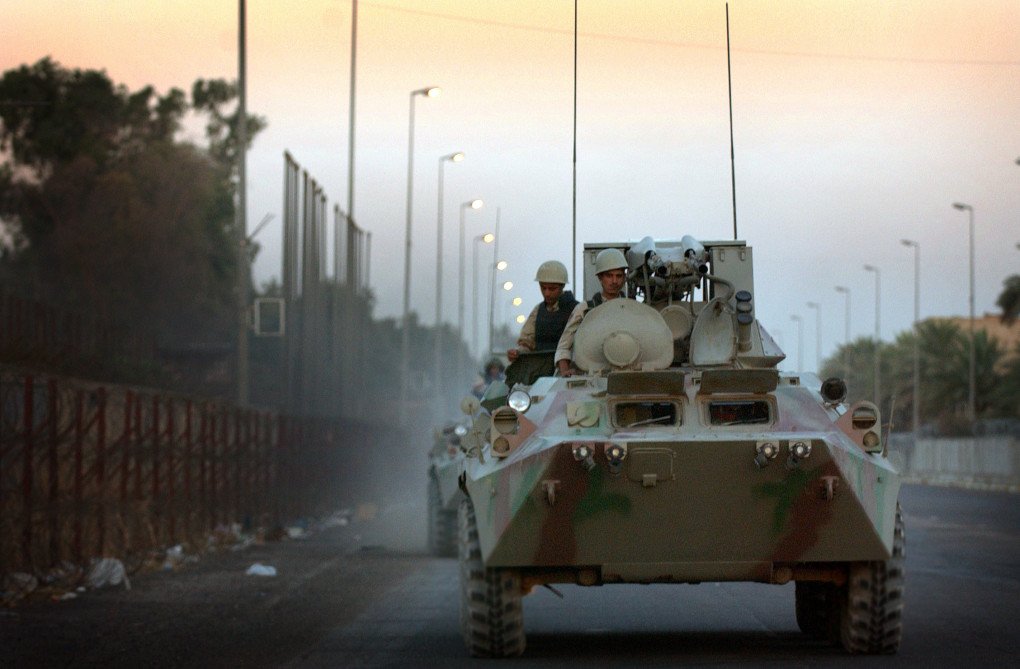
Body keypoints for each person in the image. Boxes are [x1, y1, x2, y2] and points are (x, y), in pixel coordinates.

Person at [555, 248, 628, 376]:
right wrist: (564, 370)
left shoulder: (631, 308)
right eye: (609, 276)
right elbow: (564, 345)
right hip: (592, 373)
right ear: (600, 278)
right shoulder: (585, 309)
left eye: (619, 276)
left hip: (625, 370)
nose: (614, 281)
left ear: (624, 278)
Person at [507, 260, 578, 362]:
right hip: (541, 368)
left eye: (552, 289)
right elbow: (527, 342)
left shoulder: (576, 310)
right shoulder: (538, 311)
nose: (547, 293)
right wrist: (517, 352)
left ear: (562, 286)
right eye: (543, 288)